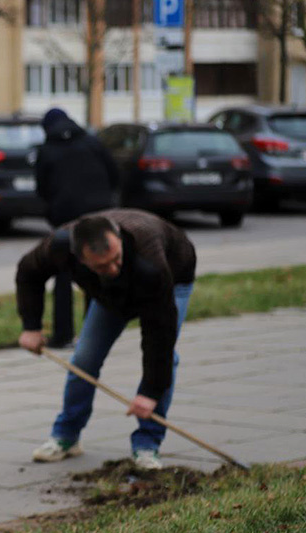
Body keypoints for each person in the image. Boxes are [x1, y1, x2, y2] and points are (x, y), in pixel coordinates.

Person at [15, 209, 196, 470]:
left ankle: (147, 444)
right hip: (109, 294)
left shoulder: (150, 261)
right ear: (79, 259)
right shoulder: (61, 245)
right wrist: (31, 327)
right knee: (84, 358)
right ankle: (66, 436)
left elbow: (159, 334)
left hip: (172, 280)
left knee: (166, 358)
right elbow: (28, 271)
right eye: (101, 266)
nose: (112, 269)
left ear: (119, 239)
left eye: (116, 259)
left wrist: (149, 392)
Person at [34, 108, 118, 349]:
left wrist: (53, 209)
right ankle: (94, 333)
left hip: (65, 218)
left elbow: (41, 188)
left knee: (63, 273)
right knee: (96, 270)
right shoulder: (93, 143)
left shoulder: (47, 150)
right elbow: (114, 174)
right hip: (99, 215)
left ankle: (63, 334)